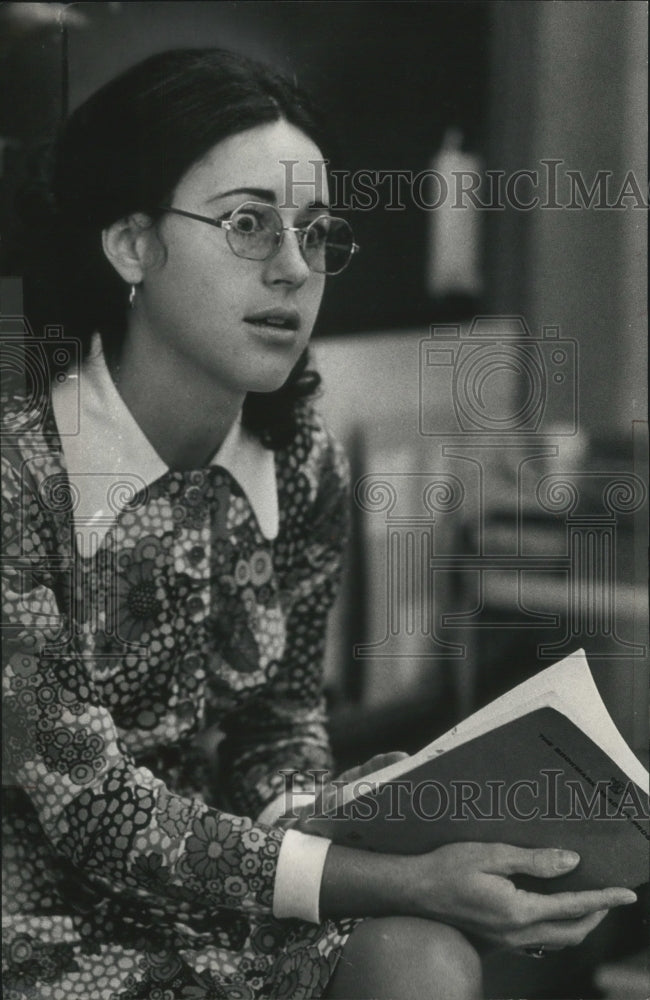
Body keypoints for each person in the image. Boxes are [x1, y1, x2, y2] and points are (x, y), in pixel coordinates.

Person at [1, 48, 637, 1000]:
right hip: (41, 921)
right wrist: (395, 876)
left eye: (315, 231)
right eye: (250, 225)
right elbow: (92, 809)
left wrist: (364, 816)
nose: (296, 269)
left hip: (231, 887)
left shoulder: (297, 459)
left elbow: (276, 723)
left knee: (428, 956)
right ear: (132, 244)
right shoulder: (21, 478)